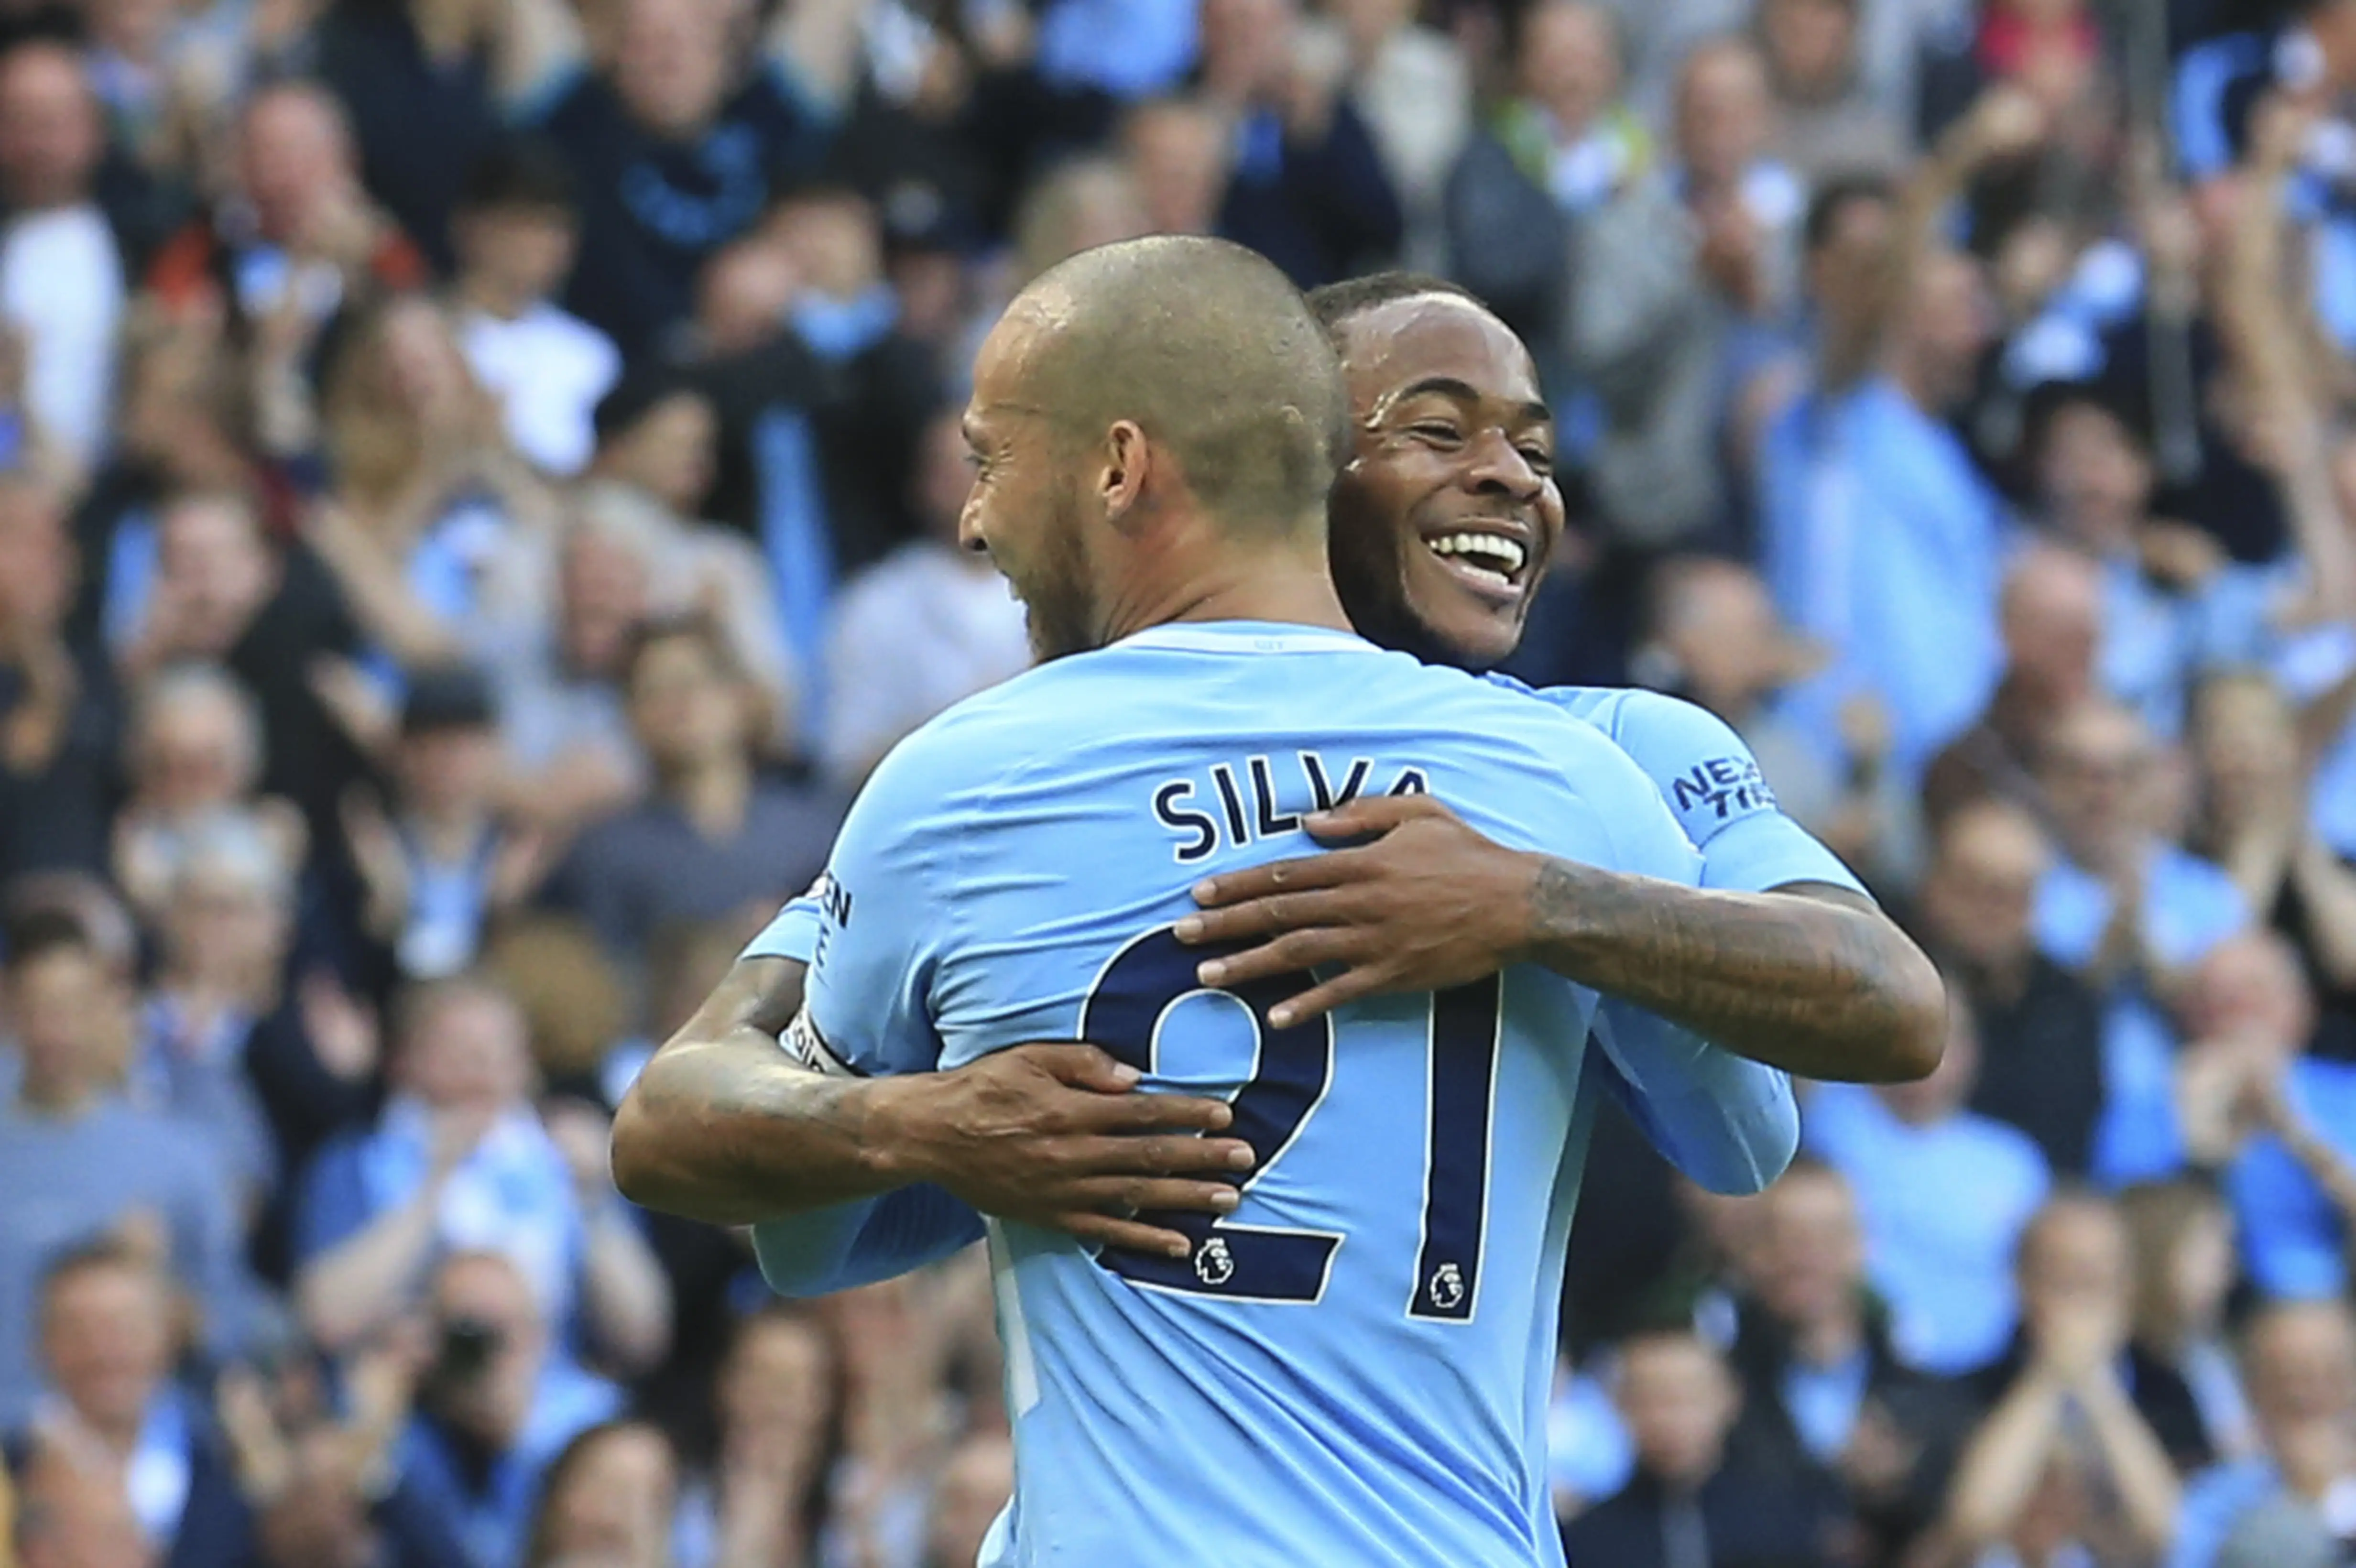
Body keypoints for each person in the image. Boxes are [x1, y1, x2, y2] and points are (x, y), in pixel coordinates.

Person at [619, 234, 1792, 1563]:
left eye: (992, 461)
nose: (973, 516)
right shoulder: (1573, 779)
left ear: (1120, 469)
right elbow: (1744, 1138)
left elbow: (804, 1241)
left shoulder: (968, 783)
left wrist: (925, 1128)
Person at [1560, 1326, 1837, 1568]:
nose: (1668, 1419)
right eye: (1650, 1400)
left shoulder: (1788, 1522)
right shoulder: (1587, 1539)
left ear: (1729, 1400)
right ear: (1620, 1406)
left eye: (1686, 1399)